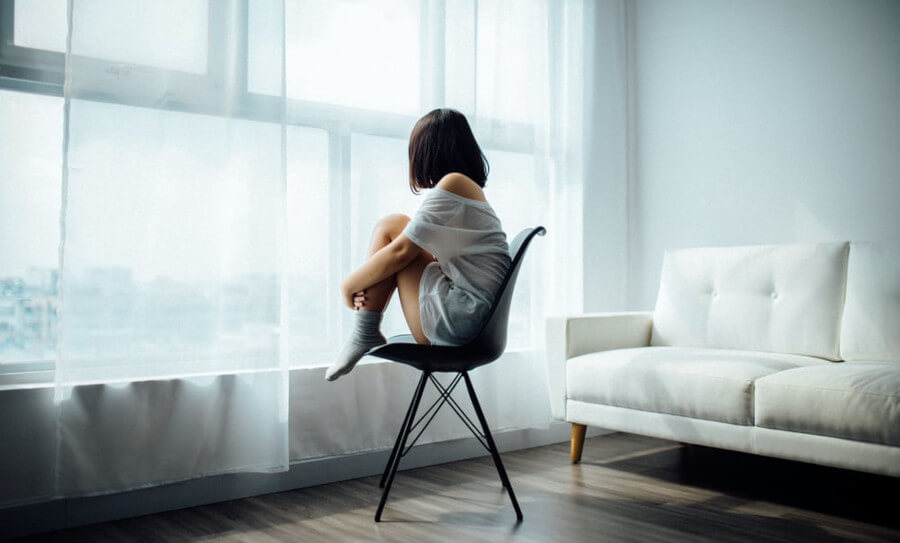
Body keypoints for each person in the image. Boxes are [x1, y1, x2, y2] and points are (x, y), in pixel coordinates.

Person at [325, 108, 511, 381]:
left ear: (428, 151)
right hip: (473, 322)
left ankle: (364, 331)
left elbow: (402, 252)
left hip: (462, 324)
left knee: (392, 228)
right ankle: (364, 331)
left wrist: (348, 285)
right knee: (396, 226)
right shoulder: (466, 190)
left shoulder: (454, 183)